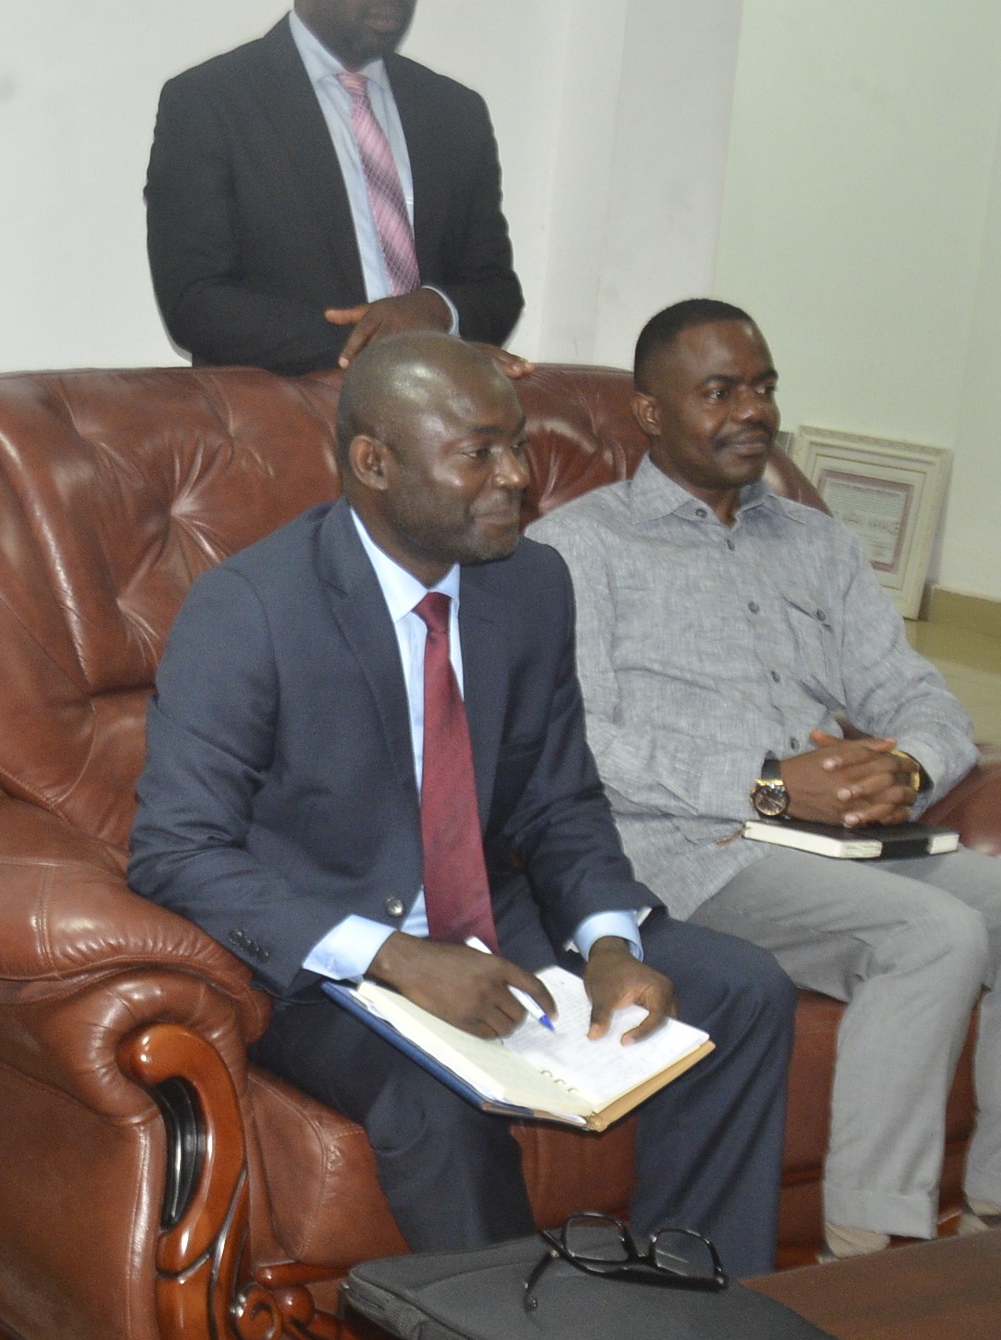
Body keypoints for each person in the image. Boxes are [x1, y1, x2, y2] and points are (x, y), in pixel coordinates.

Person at [129, 332, 793, 1275]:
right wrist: (395, 958)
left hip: (492, 917)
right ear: (374, 463)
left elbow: (558, 797)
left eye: (516, 445)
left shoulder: (528, 585)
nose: (516, 476)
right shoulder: (252, 607)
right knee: (432, 1098)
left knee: (740, 988)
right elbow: (176, 850)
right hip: (330, 963)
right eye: (478, 453)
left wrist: (609, 943)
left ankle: (692, 1298)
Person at [529, 299, 1001, 1259]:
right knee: (931, 934)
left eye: (762, 388)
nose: (750, 412)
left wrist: (903, 767)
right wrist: (770, 787)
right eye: (718, 392)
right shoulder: (578, 549)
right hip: (696, 850)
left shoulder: (817, 542)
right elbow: (584, 743)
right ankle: (870, 1244)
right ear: (648, 414)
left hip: (847, 836)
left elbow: (918, 697)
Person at [145, 0, 524, 376]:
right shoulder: (210, 100)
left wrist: (437, 309)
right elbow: (194, 302)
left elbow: (496, 289)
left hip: (437, 406)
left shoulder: (454, 111)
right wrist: (386, 345)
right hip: (288, 404)